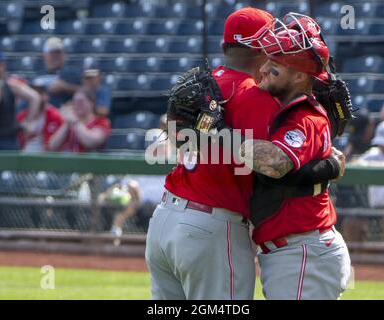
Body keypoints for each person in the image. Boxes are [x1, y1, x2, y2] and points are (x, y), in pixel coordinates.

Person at [145, 8, 345, 300]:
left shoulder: (206, 86)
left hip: (164, 222)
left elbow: (181, 140)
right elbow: (276, 163)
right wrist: (329, 165)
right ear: (261, 48)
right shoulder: (256, 96)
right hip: (211, 226)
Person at [238, 13, 351, 300]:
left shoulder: (303, 117)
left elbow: (275, 163)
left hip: (302, 251)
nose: (263, 69)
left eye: (274, 66)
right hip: (298, 251)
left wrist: (217, 133)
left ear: (300, 76)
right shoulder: (290, 110)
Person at [355, 120, 384, 242]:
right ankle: (360, 259)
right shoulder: (374, 153)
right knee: (351, 222)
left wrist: (373, 165)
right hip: (373, 210)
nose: (383, 146)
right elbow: (356, 164)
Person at [0, 51, 41, 150]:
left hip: (7, 140)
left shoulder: (10, 85)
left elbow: (35, 97)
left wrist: (28, 121)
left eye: (0, 64)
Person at [16, 78, 64, 152]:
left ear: (46, 96)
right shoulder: (21, 116)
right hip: (22, 158)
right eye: (33, 92)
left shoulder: (54, 116)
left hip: (45, 159)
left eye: (40, 93)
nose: (36, 97)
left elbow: (52, 148)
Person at [34, 37, 81, 108]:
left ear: (64, 55)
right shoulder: (38, 76)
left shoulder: (73, 73)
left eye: (58, 53)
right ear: (44, 55)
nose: (55, 57)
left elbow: (88, 93)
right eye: (52, 54)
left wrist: (65, 87)